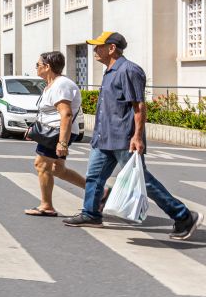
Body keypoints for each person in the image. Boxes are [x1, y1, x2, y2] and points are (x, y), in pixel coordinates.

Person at [63, 32, 201, 240]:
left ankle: (184, 216)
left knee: (143, 181)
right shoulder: (110, 71)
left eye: (98, 46)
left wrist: (137, 136)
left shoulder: (129, 70)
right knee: (94, 177)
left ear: (111, 48)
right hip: (104, 138)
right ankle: (91, 213)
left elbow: (139, 106)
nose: (94, 51)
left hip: (124, 139)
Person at [24, 51, 86, 217]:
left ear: (47, 66)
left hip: (57, 133)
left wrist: (62, 142)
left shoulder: (61, 85)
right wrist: (34, 129)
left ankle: (46, 206)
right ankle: (98, 193)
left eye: (38, 65)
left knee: (41, 165)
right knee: (57, 169)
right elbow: (48, 113)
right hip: (52, 132)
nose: (36, 68)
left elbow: (65, 114)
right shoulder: (52, 84)